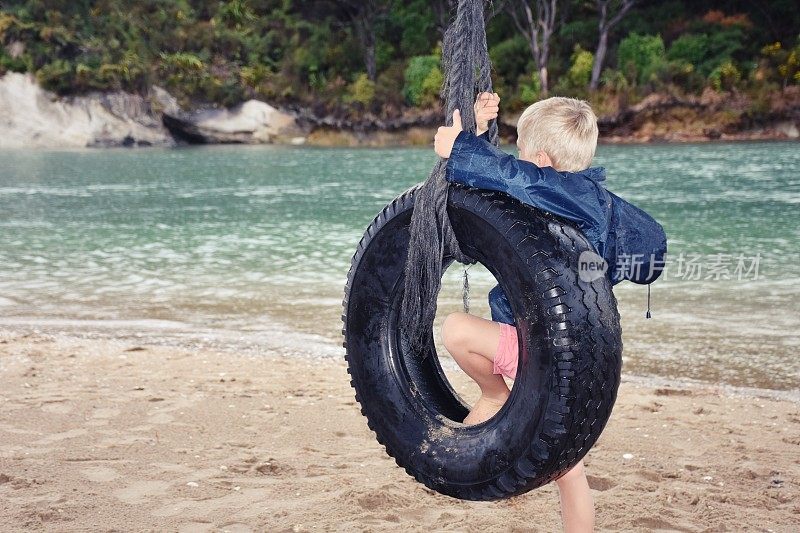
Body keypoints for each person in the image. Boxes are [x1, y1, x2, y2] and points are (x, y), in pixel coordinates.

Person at [433, 94, 666, 533]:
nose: (517, 160)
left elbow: (516, 180)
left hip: (536, 350)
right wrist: (480, 134)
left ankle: (495, 394)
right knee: (570, 468)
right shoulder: (598, 203)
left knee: (456, 328)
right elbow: (650, 250)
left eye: (521, 150)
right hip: (587, 362)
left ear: (540, 160)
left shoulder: (550, 192)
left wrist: (460, 148)